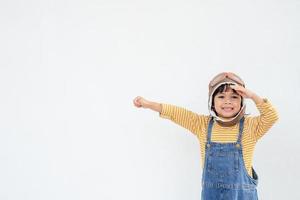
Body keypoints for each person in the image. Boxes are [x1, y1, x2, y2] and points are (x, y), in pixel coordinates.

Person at [133, 72, 279, 200]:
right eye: (221, 96)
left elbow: (272, 116)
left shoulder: (251, 127)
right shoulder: (201, 124)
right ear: (212, 102)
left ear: (242, 101)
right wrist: (148, 104)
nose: (228, 101)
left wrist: (253, 96)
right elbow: (175, 113)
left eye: (234, 97)